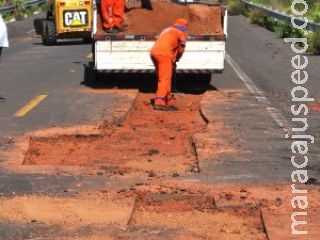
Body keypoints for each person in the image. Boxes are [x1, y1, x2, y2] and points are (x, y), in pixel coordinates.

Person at [150, 18, 188, 111]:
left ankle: (168, 102)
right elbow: (181, 49)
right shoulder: (181, 32)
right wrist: (177, 58)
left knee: (163, 78)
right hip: (164, 55)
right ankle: (159, 102)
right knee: (165, 79)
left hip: (154, 52)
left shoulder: (167, 30)